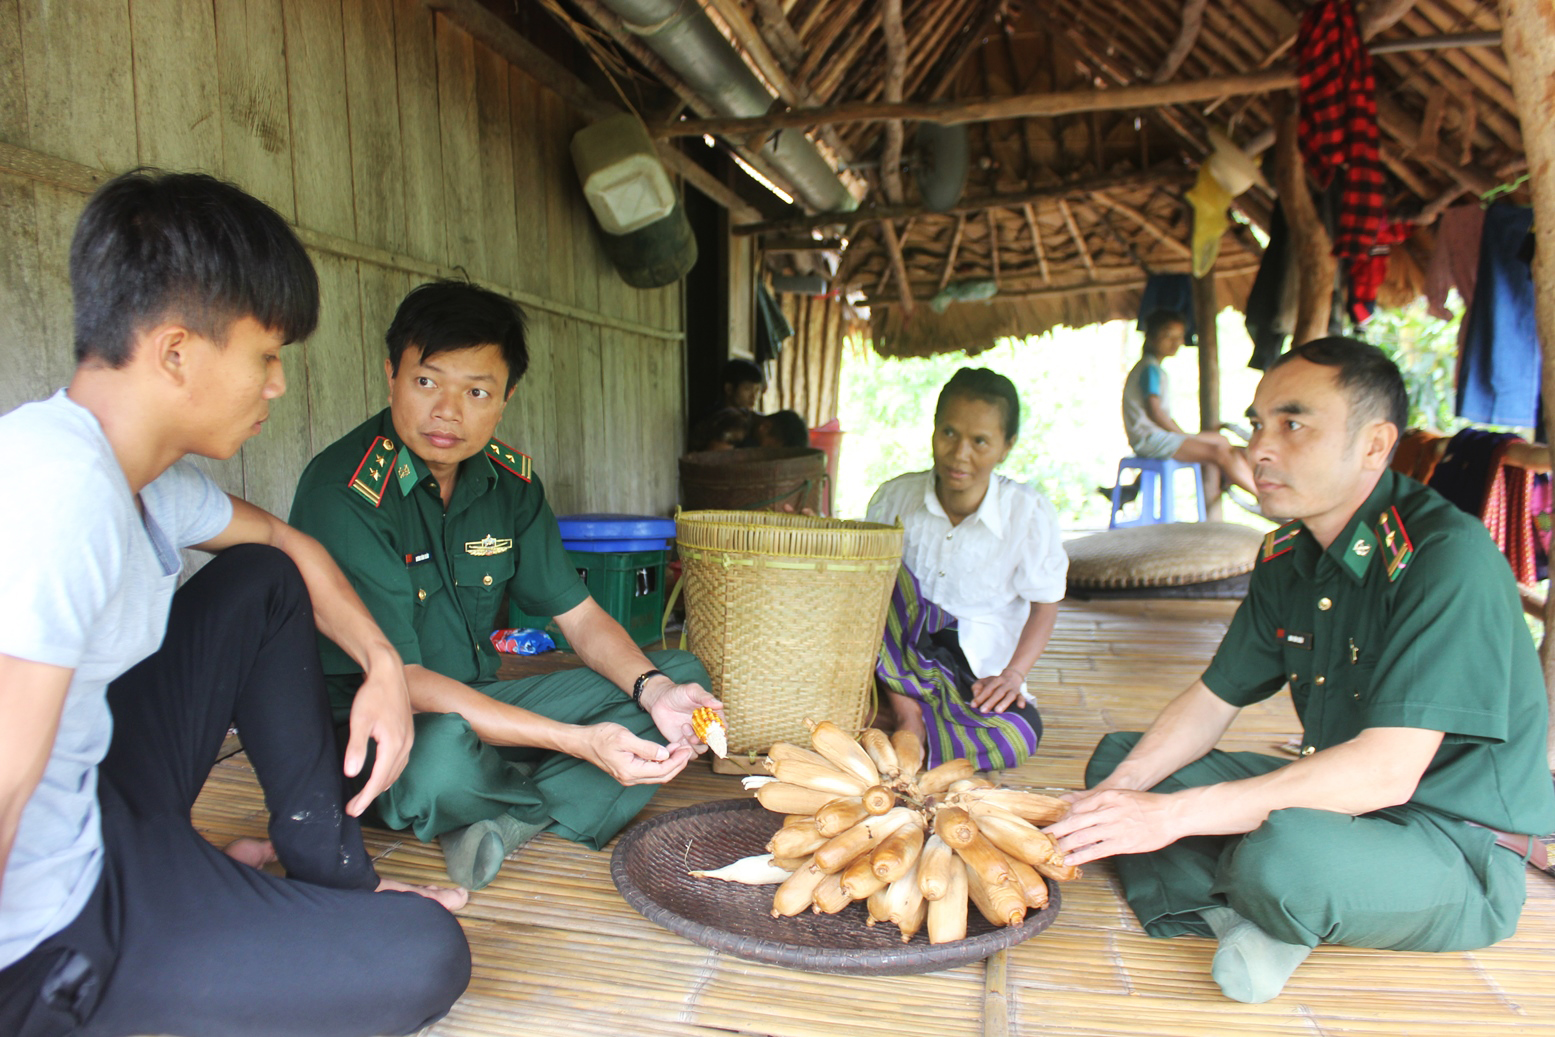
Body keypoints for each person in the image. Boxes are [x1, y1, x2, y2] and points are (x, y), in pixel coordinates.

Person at [0, 170, 470, 1037]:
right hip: (49, 936)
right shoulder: (56, 492)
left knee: (262, 580)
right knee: (426, 950)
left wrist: (379, 665)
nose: (278, 385)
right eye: (265, 356)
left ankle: (318, 866)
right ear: (178, 351)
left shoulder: (137, 478)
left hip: (99, 811)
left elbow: (291, 550)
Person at [1050, 337, 1555, 1005]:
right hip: (1337, 808)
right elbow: (1210, 699)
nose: (1259, 447)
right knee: (1125, 760)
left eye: (1292, 424)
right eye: (1256, 423)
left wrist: (1169, 818)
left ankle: (1265, 899)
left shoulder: (1441, 558)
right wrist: (1119, 794)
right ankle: (1240, 917)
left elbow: (1385, 771)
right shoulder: (1286, 553)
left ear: (1374, 444)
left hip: (1448, 844)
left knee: (1280, 850)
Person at [290, 281, 721, 892]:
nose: (447, 411)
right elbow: (403, 680)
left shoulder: (510, 483)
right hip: (382, 723)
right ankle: (557, 790)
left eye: (476, 392)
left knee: (679, 679)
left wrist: (651, 690)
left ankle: (508, 819)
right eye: (426, 382)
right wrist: (573, 739)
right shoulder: (347, 493)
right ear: (390, 375)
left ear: (505, 398)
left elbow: (580, 616)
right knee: (439, 763)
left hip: (483, 703)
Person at [865, 368, 1067, 769]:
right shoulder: (894, 499)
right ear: (934, 429)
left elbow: (1046, 605)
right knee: (882, 577)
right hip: (891, 660)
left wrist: (1012, 675)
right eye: (949, 433)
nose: (960, 454)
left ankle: (900, 722)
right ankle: (906, 713)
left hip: (971, 674)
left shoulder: (1028, 513)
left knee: (1017, 736)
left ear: (1006, 446)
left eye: (980, 441)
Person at [1120, 309, 1256, 498]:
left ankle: (1231, 477)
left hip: (1157, 437)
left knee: (1221, 440)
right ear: (1151, 337)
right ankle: (1262, 498)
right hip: (1150, 440)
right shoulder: (1149, 369)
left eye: (1180, 336)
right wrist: (1183, 436)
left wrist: (1184, 436)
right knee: (1220, 452)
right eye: (1168, 335)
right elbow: (1155, 412)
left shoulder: (1152, 367)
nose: (1177, 342)